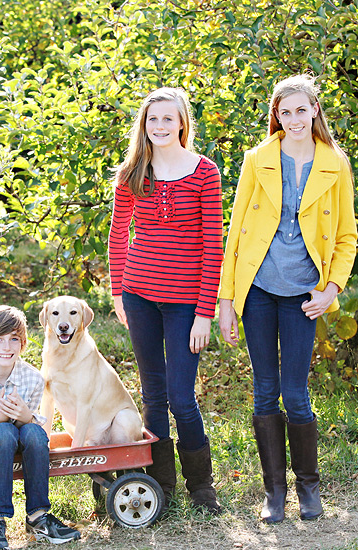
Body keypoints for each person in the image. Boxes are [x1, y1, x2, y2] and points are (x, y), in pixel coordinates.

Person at [218, 74, 357, 523]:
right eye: (285, 111)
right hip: (258, 288)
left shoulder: (335, 163)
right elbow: (236, 231)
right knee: (264, 392)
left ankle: (308, 489)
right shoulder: (258, 159)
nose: (294, 118)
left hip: (303, 295)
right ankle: (274, 493)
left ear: (315, 110)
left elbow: (347, 237)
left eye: (302, 110)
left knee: (296, 394)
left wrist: (330, 288)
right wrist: (227, 301)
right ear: (275, 115)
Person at [108, 87, 224, 515]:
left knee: (181, 396)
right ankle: (161, 487)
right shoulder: (132, 172)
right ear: (144, 124)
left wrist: (204, 313)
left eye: (167, 119)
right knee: (153, 394)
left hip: (184, 304)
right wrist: (118, 290)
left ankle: (201, 486)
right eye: (152, 119)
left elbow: (214, 244)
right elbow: (119, 235)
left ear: (181, 123)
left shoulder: (204, 172)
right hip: (139, 295)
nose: (159, 126)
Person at [0, 305, 81, 550]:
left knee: (35, 432)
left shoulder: (32, 378)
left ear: (22, 344)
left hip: (17, 438)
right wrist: (1, 415)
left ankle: (38, 517)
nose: (6, 347)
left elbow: (29, 431)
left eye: (14, 339)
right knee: (3, 431)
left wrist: (26, 417)